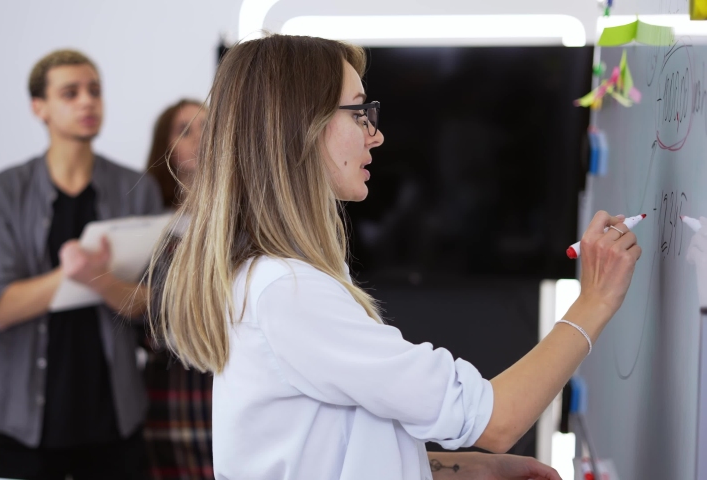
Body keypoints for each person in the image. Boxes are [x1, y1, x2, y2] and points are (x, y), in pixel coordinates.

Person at [148, 34, 642, 480]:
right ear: (301, 125)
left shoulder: (276, 277)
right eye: (358, 113)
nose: (375, 134)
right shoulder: (290, 293)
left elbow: (331, 446)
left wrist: (464, 469)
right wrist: (594, 300)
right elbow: (496, 418)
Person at [0, 49, 163, 480]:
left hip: (115, 417)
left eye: (94, 90)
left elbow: (149, 304)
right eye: (70, 93)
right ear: (38, 107)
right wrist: (67, 276)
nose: (87, 102)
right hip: (26, 421)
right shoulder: (2, 192)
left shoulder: (137, 188)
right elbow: (0, 307)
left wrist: (97, 278)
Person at [143, 99, 213, 479]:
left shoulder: (241, 218)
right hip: (169, 388)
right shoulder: (147, 222)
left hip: (223, 382)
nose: (200, 139)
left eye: (207, 127)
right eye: (185, 130)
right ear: (164, 147)